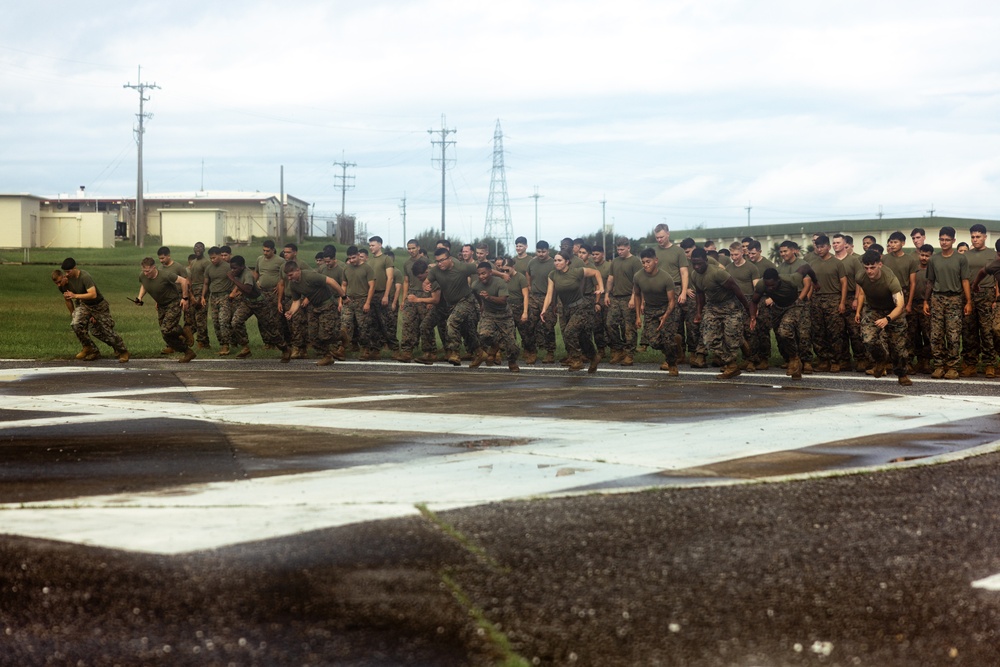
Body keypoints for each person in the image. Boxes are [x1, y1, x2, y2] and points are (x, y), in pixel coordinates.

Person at [689, 248, 752, 379]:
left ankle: (740, 346)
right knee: (709, 340)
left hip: (730, 306)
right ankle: (731, 365)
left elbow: (737, 290)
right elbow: (700, 294)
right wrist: (699, 313)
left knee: (731, 340)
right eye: (694, 263)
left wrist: (748, 310)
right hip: (712, 307)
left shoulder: (718, 273)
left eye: (699, 263)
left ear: (706, 260)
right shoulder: (694, 275)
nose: (696, 267)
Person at [52, 259, 129, 363]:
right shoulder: (63, 284)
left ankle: (122, 351)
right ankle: (90, 348)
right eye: (65, 272)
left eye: (68, 271)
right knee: (76, 324)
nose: (66, 274)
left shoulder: (84, 277)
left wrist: (75, 296)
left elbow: (93, 294)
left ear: (75, 268)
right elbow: (67, 300)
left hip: (99, 305)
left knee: (105, 331)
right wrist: (73, 314)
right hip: (84, 305)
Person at [540, 250, 605, 372]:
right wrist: (544, 309)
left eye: (559, 260)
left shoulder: (577, 272)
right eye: (555, 260)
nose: (556, 263)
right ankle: (594, 357)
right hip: (566, 309)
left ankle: (576, 360)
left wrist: (601, 287)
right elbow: (549, 294)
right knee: (582, 337)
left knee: (569, 332)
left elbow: (596, 272)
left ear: (567, 262)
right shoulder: (552, 275)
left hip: (581, 308)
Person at [855, 250, 912, 386]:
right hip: (874, 309)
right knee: (867, 338)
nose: (869, 271)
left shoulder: (891, 280)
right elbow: (863, 292)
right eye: (866, 268)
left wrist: (887, 319)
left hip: (893, 311)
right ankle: (881, 360)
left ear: (879, 265)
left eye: (872, 267)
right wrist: (860, 310)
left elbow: (900, 306)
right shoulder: (860, 277)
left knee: (898, 347)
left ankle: (902, 374)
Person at [923, 226, 971, 379]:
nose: (944, 242)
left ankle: (952, 366)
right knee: (936, 334)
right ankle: (938, 365)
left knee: (953, 335)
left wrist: (968, 301)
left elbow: (965, 280)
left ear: (953, 241)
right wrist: (926, 301)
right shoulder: (934, 259)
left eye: (947, 240)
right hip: (937, 298)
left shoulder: (961, 258)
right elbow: (930, 282)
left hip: (955, 299)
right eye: (941, 239)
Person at [283, 260, 348, 366]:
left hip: (328, 304)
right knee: (312, 336)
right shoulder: (293, 285)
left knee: (325, 335)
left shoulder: (310, 276)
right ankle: (327, 356)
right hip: (314, 307)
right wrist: (291, 311)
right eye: (287, 276)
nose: (289, 278)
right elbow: (296, 301)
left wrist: (343, 297)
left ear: (298, 270)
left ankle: (341, 335)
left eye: (291, 275)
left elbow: (331, 281)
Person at [750, 268, 810, 379]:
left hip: (794, 305)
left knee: (785, 331)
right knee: (780, 335)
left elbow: (806, 267)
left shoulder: (791, 280)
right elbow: (754, 301)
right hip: (778, 307)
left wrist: (815, 281)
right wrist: (753, 317)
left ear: (778, 280)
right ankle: (795, 365)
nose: (770, 288)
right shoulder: (761, 284)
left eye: (772, 285)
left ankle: (795, 359)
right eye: (768, 286)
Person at [135, 257, 196, 363]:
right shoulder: (143, 276)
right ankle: (188, 351)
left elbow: (184, 281)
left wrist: (185, 298)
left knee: (166, 329)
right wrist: (140, 298)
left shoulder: (165, 275)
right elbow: (144, 285)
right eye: (143, 271)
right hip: (161, 306)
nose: (145, 273)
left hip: (173, 303)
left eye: (148, 271)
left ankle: (183, 331)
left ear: (154, 268)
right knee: (166, 334)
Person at [632, 248, 679, 375]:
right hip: (650, 310)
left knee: (667, 338)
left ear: (656, 261)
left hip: (666, 309)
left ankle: (672, 364)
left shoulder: (666, 278)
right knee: (653, 341)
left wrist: (665, 316)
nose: (646, 265)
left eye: (648, 261)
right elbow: (637, 295)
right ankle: (675, 347)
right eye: (643, 262)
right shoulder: (638, 276)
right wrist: (637, 317)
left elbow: (672, 301)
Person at [806, 235, 848, 372]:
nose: (820, 249)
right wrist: (809, 298)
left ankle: (836, 361)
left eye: (822, 246)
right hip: (816, 300)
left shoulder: (837, 263)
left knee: (835, 332)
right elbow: (811, 283)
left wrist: (842, 302)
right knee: (818, 332)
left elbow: (844, 283)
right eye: (817, 247)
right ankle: (823, 360)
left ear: (829, 247)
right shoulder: (813, 263)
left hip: (833, 299)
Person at [470, 262, 520, 372]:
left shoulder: (500, 283)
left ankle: (512, 362)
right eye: (479, 274)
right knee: (483, 335)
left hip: (504, 315)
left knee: (511, 345)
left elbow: (503, 300)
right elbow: (477, 294)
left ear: (490, 272)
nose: (481, 276)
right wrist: (482, 304)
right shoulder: (475, 285)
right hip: (489, 314)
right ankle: (494, 346)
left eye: (484, 273)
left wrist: (488, 298)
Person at [961, 224, 996, 377]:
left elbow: (997, 277)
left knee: (987, 330)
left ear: (985, 237)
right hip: (969, 295)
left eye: (978, 237)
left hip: (987, 294)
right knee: (969, 330)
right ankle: (970, 363)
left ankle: (990, 364)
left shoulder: (993, 254)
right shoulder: (966, 255)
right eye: (973, 237)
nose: (975, 240)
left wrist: (996, 297)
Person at [604, 238, 642, 366]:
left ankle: (629, 354)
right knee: (610, 324)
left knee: (629, 328)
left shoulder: (635, 262)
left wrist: (633, 297)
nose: (619, 252)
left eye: (622, 249)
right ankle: (618, 349)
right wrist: (607, 294)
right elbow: (610, 279)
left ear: (628, 248)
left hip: (628, 297)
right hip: (615, 298)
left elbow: (637, 282)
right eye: (618, 249)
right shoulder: (615, 262)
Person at [341, 245, 379, 360]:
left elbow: (372, 286)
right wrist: (342, 299)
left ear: (358, 255)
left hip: (362, 300)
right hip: (349, 301)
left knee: (364, 327)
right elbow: (344, 285)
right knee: (345, 326)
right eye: (350, 258)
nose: (352, 260)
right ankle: (342, 349)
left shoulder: (367, 269)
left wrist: (367, 302)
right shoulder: (346, 268)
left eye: (354, 258)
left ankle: (365, 350)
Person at [156, 246, 193, 350]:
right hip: (164, 299)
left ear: (168, 256)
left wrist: (187, 298)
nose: (161, 260)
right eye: (159, 258)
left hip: (177, 298)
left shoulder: (178, 267)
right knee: (163, 324)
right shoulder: (160, 268)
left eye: (163, 258)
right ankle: (173, 343)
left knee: (170, 323)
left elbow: (186, 282)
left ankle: (173, 344)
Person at [525, 241, 555, 363]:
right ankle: (532, 352)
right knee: (530, 325)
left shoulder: (554, 263)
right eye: (538, 251)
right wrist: (529, 285)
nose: (541, 254)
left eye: (543, 252)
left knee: (548, 325)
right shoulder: (532, 262)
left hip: (548, 298)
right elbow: (528, 273)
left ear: (548, 251)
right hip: (534, 297)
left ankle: (550, 352)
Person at [202, 246, 235, 356]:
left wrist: (233, 294)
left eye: (214, 257)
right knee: (215, 322)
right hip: (213, 297)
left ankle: (226, 345)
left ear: (219, 256)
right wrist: (203, 297)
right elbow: (206, 283)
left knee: (223, 321)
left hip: (225, 296)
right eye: (211, 258)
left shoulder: (227, 267)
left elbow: (237, 281)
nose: (212, 260)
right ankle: (222, 343)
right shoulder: (209, 268)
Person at [188, 242, 211, 349]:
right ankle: (202, 341)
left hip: (202, 291)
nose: (198, 249)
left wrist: (202, 296)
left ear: (204, 249)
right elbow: (191, 278)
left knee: (200, 318)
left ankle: (202, 342)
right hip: (193, 291)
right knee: (192, 317)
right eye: (196, 247)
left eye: (200, 247)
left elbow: (207, 280)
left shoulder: (206, 262)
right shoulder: (193, 262)